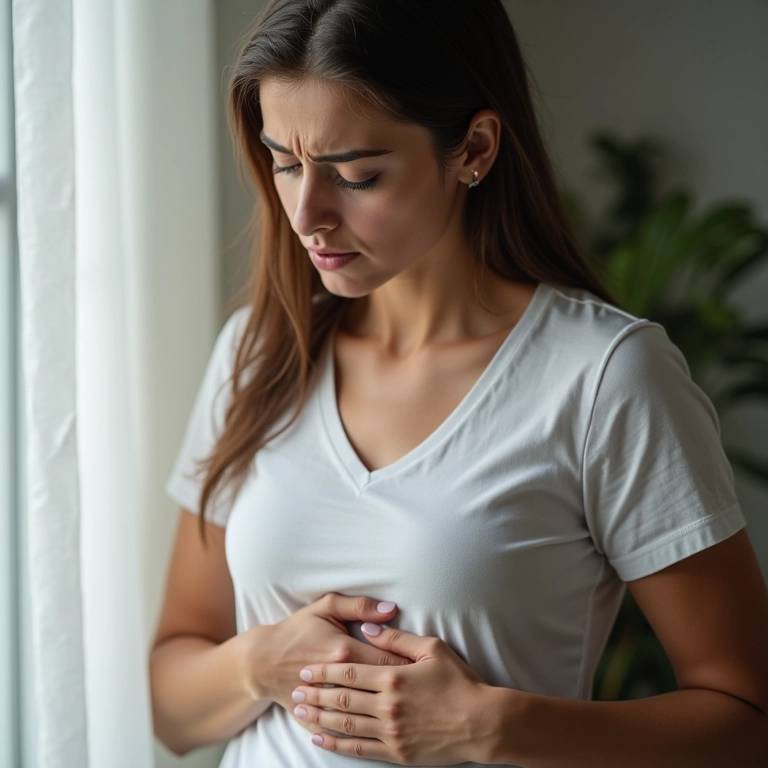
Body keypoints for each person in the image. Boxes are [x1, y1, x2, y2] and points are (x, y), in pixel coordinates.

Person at [148, 1, 768, 765]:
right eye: (283, 161)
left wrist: (491, 727)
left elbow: (746, 720)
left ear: (473, 147)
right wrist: (260, 663)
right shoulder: (256, 353)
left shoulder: (606, 377)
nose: (307, 213)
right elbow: (172, 710)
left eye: (357, 174)